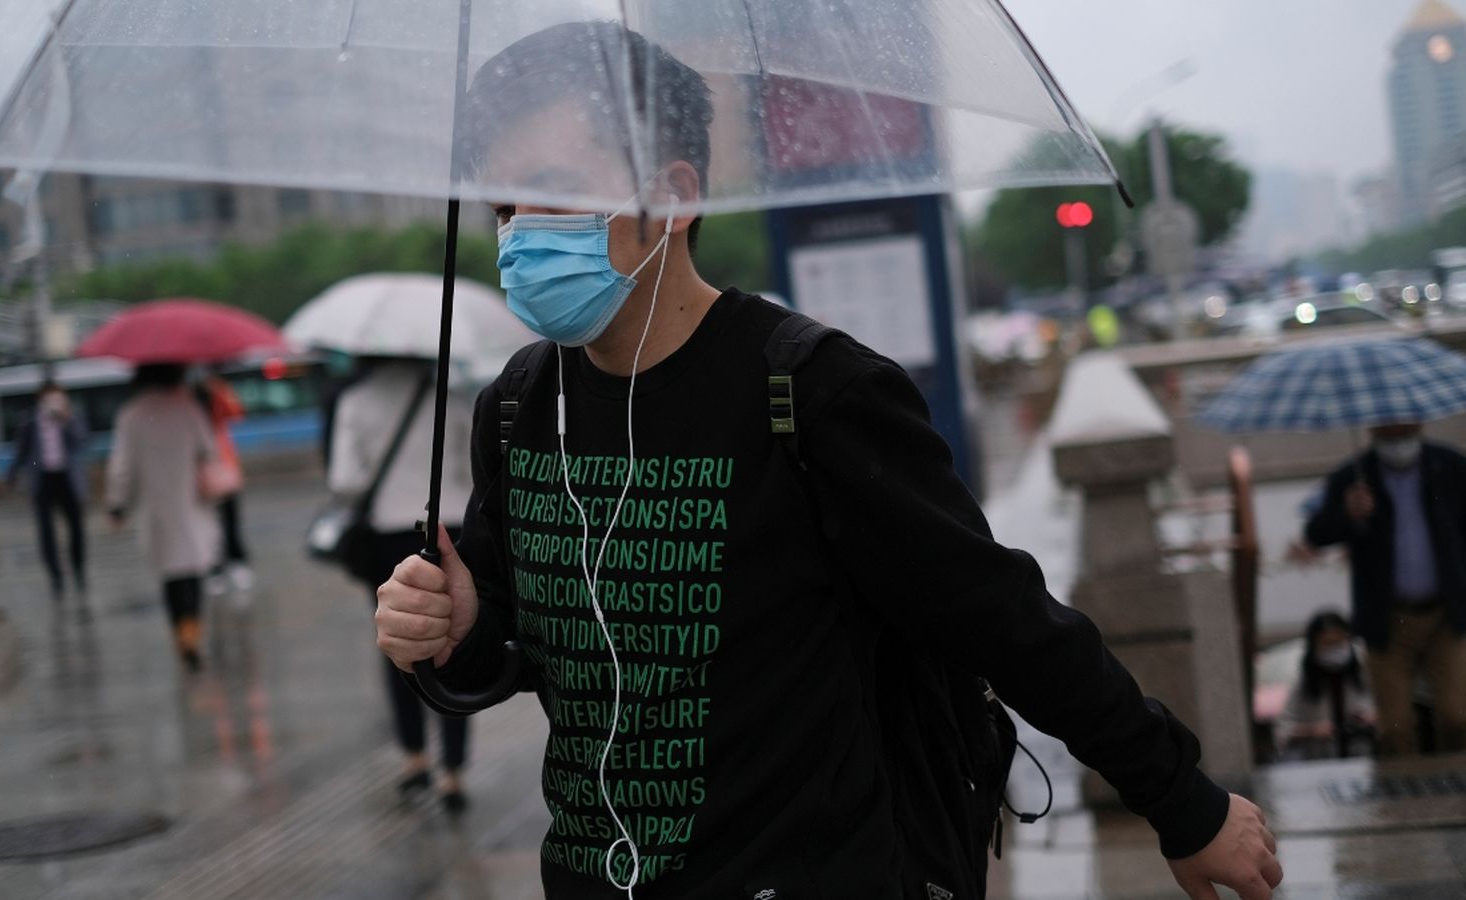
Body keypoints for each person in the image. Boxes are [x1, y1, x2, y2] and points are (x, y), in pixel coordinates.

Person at [375, 22, 1280, 899]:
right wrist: (456, 629)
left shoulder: (811, 392)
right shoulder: (518, 407)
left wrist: (1182, 801)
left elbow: (1003, 618)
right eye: (504, 205)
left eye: (557, 192)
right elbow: (524, 648)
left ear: (676, 196)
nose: (523, 234)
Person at [328, 357, 473, 811]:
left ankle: (414, 759)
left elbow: (343, 481)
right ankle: (452, 771)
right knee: (456, 647)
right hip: (451, 528)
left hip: (389, 533)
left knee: (400, 643)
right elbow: (473, 470)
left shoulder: (355, 401)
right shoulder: (451, 397)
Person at [1304, 422, 1466, 755]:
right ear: (1373, 433)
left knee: (1457, 716)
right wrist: (1347, 514)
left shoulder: (1449, 466)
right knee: (1396, 727)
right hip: (1388, 621)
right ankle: (1405, 799)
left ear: (1418, 425)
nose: (1397, 443)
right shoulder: (1354, 476)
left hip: (1445, 615)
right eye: (1388, 435)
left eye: (1404, 433)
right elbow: (1316, 532)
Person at [107, 363, 221, 672]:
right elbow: (209, 451)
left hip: (155, 509)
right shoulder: (188, 409)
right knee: (193, 574)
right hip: (190, 503)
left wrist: (117, 505)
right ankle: (191, 633)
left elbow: (122, 468)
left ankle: (180, 637)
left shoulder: (131, 415)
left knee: (171, 577)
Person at [6, 381, 88, 601]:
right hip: (42, 481)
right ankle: (56, 577)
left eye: (57, 396)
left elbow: (82, 441)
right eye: (48, 396)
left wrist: (66, 419)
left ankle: (79, 571)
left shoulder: (71, 416)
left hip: (67, 479)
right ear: (40, 398)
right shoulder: (30, 420)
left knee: (76, 529)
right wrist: (11, 475)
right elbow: (20, 450)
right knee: (46, 532)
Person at [1274, 611, 1377, 760]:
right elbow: (1282, 730)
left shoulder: (1364, 675)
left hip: (1362, 759)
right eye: (1328, 644)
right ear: (1314, 646)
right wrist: (1313, 731)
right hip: (1320, 763)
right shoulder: (1304, 685)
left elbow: (1389, 717)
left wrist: (1371, 720)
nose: (1335, 649)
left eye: (1339, 642)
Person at [195, 370, 253, 593]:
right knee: (208, 523)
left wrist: (217, 388)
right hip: (200, 470)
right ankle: (214, 567)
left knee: (230, 517)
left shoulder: (216, 391)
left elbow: (236, 411)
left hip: (223, 467)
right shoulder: (186, 399)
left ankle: (237, 562)